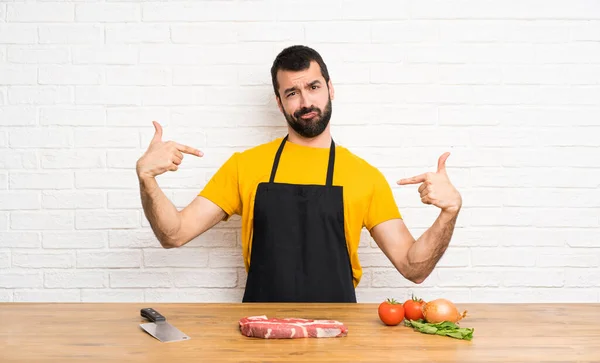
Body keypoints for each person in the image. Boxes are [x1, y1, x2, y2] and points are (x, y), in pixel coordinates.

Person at [135, 45, 462, 303]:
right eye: (292, 93)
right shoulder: (244, 166)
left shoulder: (365, 176)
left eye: (313, 86)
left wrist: (448, 213)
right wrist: (147, 180)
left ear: (331, 89)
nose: (306, 101)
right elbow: (173, 234)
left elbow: (412, 267)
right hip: (259, 334)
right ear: (279, 103)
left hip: (338, 336)